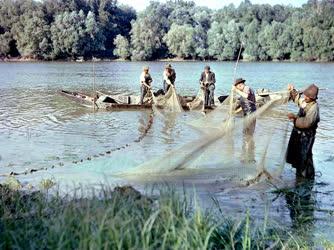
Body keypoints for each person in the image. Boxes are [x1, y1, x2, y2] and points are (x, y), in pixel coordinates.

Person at [286, 83, 320, 179]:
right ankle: (302, 175)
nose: (304, 97)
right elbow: (297, 99)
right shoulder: (306, 102)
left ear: (312, 98)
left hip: (307, 136)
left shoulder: (314, 108)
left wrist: (295, 118)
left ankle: (305, 177)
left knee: (305, 155)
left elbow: (307, 123)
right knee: (300, 155)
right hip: (300, 135)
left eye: (307, 96)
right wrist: (292, 90)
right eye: (304, 95)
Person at [233, 78, 257, 163]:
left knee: (248, 134)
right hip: (247, 115)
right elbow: (243, 104)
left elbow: (246, 96)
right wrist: (235, 112)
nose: (237, 89)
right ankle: (248, 152)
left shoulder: (247, 89)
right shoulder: (242, 92)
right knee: (246, 133)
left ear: (240, 85)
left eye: (237, 87)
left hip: (251, 114)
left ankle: (249, 155)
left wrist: (236, 90)